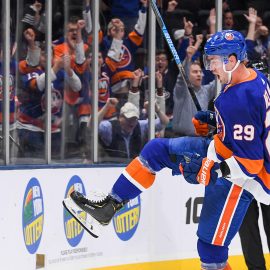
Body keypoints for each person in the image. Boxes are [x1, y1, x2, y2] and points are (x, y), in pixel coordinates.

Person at [63, 30, 270, 270]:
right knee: (156, 150)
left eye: (213, 60)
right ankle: (109, 207)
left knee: (211, 249)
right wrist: (217, 122)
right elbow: (250, 127)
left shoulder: (240, 98)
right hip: (224, 150)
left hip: (242, 176)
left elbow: (251, 164)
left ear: (231, 60)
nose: (210, 67)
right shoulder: (250, 78)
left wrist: (211, 170)